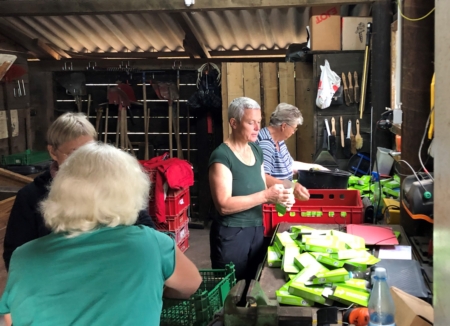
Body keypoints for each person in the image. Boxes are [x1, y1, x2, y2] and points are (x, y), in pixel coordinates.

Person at [0, 142, 202, 325]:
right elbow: (191, 285)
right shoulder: (152, 244)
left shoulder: (23, 256)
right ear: (131, 191)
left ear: (61, 189)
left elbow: (9, 318)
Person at [3, 112, 155, 270]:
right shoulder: (31, 196)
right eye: (74, 154)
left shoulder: (114, 185)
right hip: (58, 279)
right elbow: (15, 255)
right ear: (53, 152)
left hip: (112, 272)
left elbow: (146, 230)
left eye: (89, 152)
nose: (84, 161)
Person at [208, 97, 295, 283]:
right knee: (231, 290)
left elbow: (262, 189)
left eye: (259, 122)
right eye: (250, 122)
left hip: (256, 229)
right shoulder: (222, 156)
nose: (257, 128)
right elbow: (223, 205)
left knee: (253, 285)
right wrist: (266, 195)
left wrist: (280, 199)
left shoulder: (256, 151)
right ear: (234, 123)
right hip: (231, 234)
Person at [256, 103, 327, 201]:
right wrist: (292, 187)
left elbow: (289, 165)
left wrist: (317, 168)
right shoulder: (266, 144)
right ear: (284, 126)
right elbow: (263, 177)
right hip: (271, 202)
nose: (294, 132)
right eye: (294, 128)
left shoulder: (278, 140)